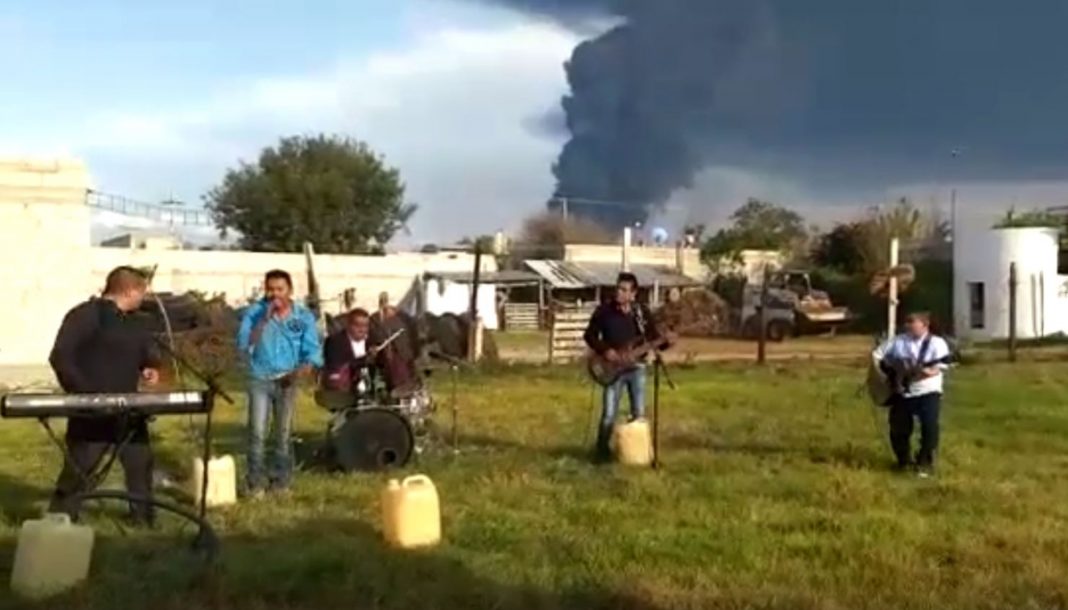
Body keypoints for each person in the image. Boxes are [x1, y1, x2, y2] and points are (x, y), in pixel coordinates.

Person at [48, 266, 161, 525]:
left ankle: (143, 521)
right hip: (91, 410)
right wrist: (84, 395)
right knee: (79, 468)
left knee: (140, 464)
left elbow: (146, 354)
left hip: (129, 408)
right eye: (141, 293)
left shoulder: (135, 321)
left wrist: (149, 367)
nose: (143, 299)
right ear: (130, 290)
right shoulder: (84, 316)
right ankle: (59, 519)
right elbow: (61, 357)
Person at [236, 269, 323, 496]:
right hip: (260, 379)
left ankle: (281, 482)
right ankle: (255, 483)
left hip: (287, 380)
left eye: (280, 290)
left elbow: (313, 352)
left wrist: (300, 372)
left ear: (289, 290)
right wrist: (264, 320)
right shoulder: (254, 313)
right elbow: (245, 344)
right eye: (270, 289)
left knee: (283, 434)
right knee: (257, 433)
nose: (275, 295)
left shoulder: (303, 317)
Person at [583, 272, 669, 462]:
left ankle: (637, 455)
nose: (619, 293)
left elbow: (653, 337)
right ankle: (601, 453)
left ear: (633, 293)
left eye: (624, 290)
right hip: (611, 369)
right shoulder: (604, 311)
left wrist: (667, 342)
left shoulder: (642, 313)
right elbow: (589, 336)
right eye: (618, 288)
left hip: (637, 369)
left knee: (638, 413)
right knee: (608, 414)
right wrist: (605, 350)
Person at [872, 311, 952, 477]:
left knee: (929, 427)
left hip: (928, 391)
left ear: (925, 325)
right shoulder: (898, 341)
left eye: (913, 322)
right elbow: (877, 356)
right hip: (901, 392)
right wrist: (888, 375)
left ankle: (924, 463)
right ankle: (904, 462)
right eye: (907, 322)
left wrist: (921, 373)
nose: (909, 326)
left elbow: (940, 367)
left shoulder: (937, 343)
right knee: (898, 429)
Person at [320, 308, 381, 401]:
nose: (362, 329)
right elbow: (337, 366)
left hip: (368, 389)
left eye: (365, 326)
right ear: (348, 325)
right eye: (357, 325)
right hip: (340, 390)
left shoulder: (371, 342)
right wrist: (365, 360)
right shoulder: (335, 341)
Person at [369, 292, 420, 393]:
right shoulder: (375, 319)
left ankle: (404, 387)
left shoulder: (402, 318)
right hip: (384, 356)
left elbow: (412, 337)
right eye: (382, 302)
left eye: (385, 301)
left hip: (402, 355)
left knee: (399, 366)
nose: (384, 305)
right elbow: (373, 338)